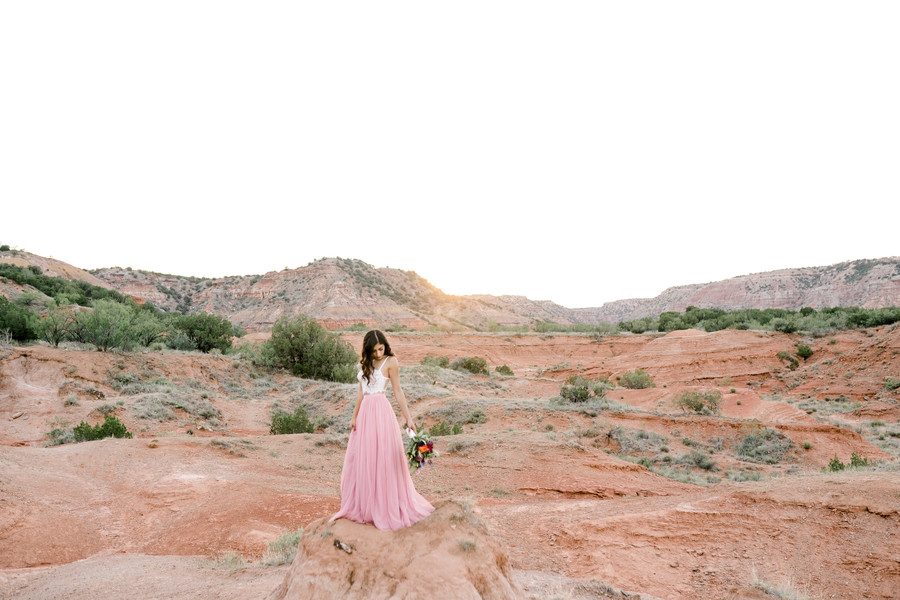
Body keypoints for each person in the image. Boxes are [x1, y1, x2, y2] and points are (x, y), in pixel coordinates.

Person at [330, 329, 434, 530]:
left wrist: (409, 418)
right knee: (364, 459)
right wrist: (354, 417)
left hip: (381, 413)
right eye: (375, 350)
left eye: (381, 348)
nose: (378, 353)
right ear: (368, 350)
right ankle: (367, 507)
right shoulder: (366, 364)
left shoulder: (391, 362)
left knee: (383, 459)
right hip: (365, 415)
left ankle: (385, 507)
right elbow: (361, 392)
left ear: (385, 345)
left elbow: (397, 390)